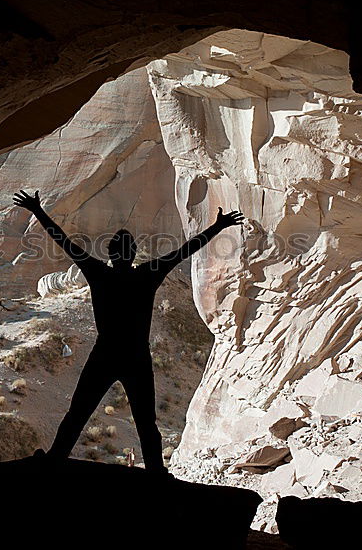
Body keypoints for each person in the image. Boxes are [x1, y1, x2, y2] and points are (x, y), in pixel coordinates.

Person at [13, 189, 244, 473]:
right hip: (136, 356)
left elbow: (63, 241)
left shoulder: (98, 273)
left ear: (110, 254)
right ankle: (156, 473)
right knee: (146, 422)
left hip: (105, 353)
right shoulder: (148, 275)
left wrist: (37, 209)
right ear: (134, 253)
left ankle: (55, 459)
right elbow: (185, 250)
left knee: (78, 413)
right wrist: (218, 226)